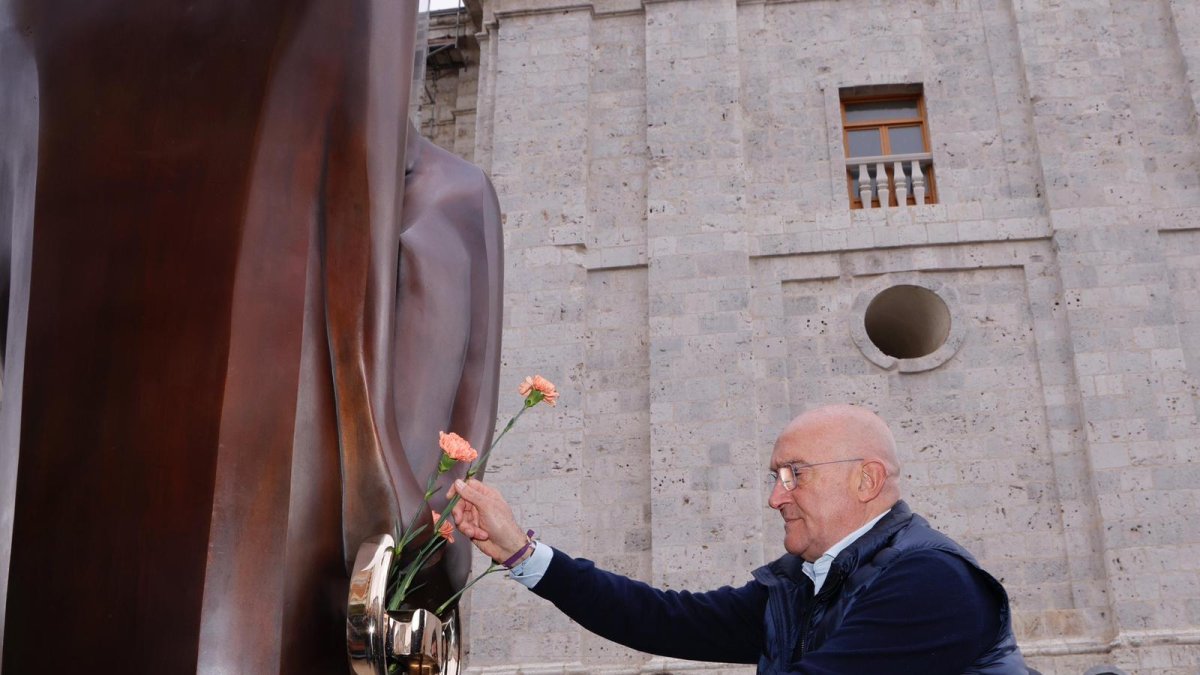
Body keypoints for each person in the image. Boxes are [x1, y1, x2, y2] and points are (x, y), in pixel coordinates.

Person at [449, 403, 1032, 674]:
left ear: (866, 479)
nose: (776, 497)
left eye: (794, 474)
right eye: (775, 478)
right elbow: (662, 619)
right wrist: (521, 554)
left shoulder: (930, 580)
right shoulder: (799, 586)